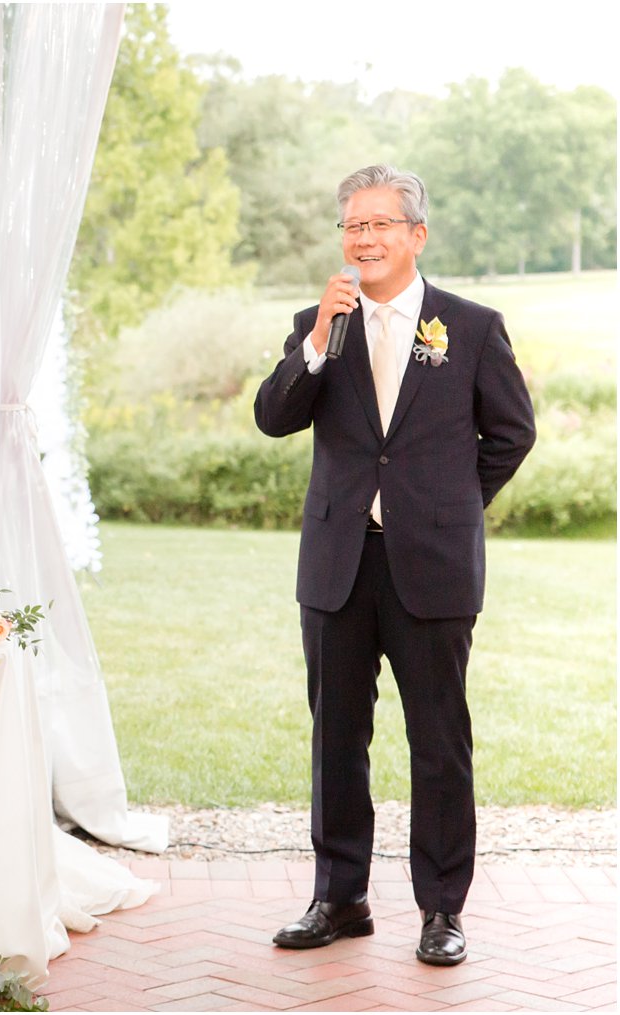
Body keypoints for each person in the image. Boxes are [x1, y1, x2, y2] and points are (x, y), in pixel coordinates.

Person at [254, 165, 536, 966]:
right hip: (337, 563)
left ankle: (442, 908)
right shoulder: (320, 323)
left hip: (432, 566)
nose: (364, 238)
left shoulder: (471, 327)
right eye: (352, 225)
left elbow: (511, 434)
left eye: (379, 224)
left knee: (439, 742)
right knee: (336, 736)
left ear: (416, 234)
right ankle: (339, 896)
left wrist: (445, 505)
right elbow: (274, 417)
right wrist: (313, 346)